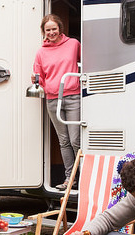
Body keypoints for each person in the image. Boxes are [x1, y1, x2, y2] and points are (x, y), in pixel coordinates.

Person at [32, 14, 81, 190]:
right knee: (64, 141)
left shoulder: (73, 44)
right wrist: (38, 82)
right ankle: (70, 179)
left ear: (60, 28)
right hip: (53, 100)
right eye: (48, 30)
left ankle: (83, 175)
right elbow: (39, 77)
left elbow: (87, 63)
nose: (51, 32)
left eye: (54, 29)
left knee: (76, 140)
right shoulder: (41, 52)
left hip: (73, 96)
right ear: (43, 32)